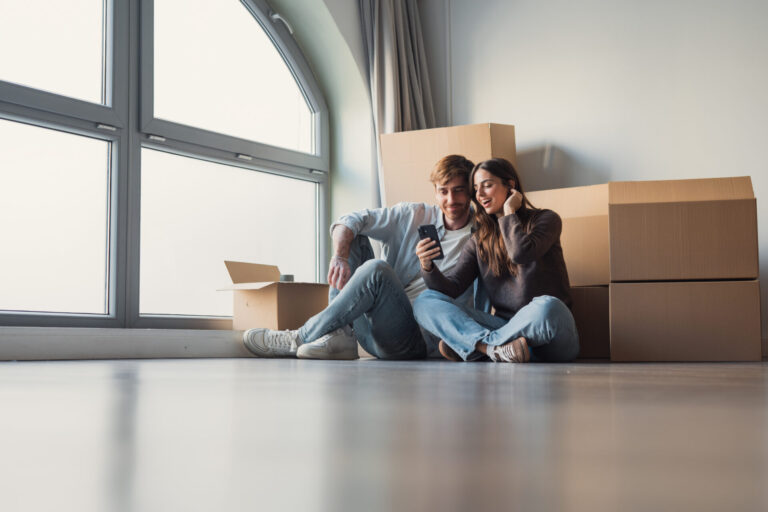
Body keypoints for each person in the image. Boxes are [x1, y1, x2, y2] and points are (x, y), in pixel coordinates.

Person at [242, 155, 477, 360]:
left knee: (378, 270)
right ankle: (339, 336)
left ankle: (299, 337)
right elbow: (350, 219)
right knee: (353, 236)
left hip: (415, 339)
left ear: (470, 192)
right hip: (373, 328)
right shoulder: (414, 214)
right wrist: (339, 257)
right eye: (443, 191)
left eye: (458, 190)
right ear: (435, 192)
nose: (451, 200)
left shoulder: (483, 235)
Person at [413, 157, 579, 363]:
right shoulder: (479, 240)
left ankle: (478, 347)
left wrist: (509, 212)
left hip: (550, 335)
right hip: (505, 329)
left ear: (511, 186)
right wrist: (427, 266)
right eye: (476, 188)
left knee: (548, 306)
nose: (480, 194)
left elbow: (521, 253)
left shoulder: (546, 220)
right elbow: (451, 288)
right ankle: (492, 348)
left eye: (487, 186)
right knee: (425, 301)